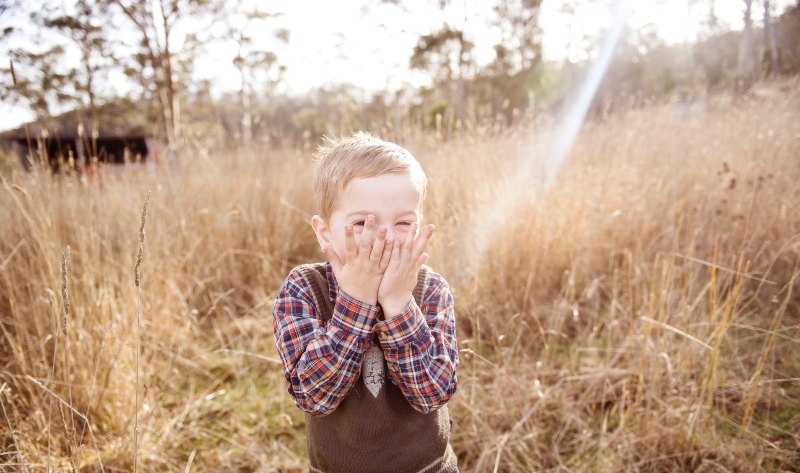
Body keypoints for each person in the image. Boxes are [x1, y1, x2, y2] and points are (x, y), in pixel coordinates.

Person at [272, 132, 460, 473]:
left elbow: (433, 393)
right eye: (362, 222)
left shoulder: (431, 289)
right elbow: (315, 396)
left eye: (403, 222)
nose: (384, 237)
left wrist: (399, 304)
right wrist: (355, 303)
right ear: (324, 232)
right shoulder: (303, 289)